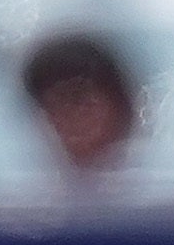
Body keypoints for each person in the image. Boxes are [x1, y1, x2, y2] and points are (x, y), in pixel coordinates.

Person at [16, 28, 143, 188]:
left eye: (81, 103)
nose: (71, 118)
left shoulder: (164, 192)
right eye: (55, 106)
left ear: (122, 106)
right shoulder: (25, 194)